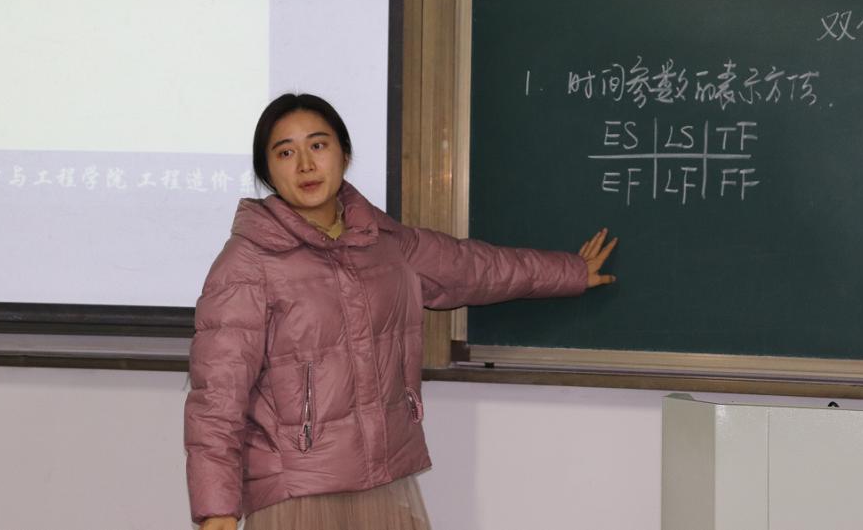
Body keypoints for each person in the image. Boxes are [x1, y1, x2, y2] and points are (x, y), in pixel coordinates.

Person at [184, 93, 617, 529]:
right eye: (285, 152)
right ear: (267, 172)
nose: (306, 165)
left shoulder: (385, 243)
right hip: (295, 491)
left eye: (318, 145)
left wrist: (571, 272)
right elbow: (217, 395)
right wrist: (217, 508)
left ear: (344, 154)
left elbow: (474, 269)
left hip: (383, 481)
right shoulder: (246, 263)